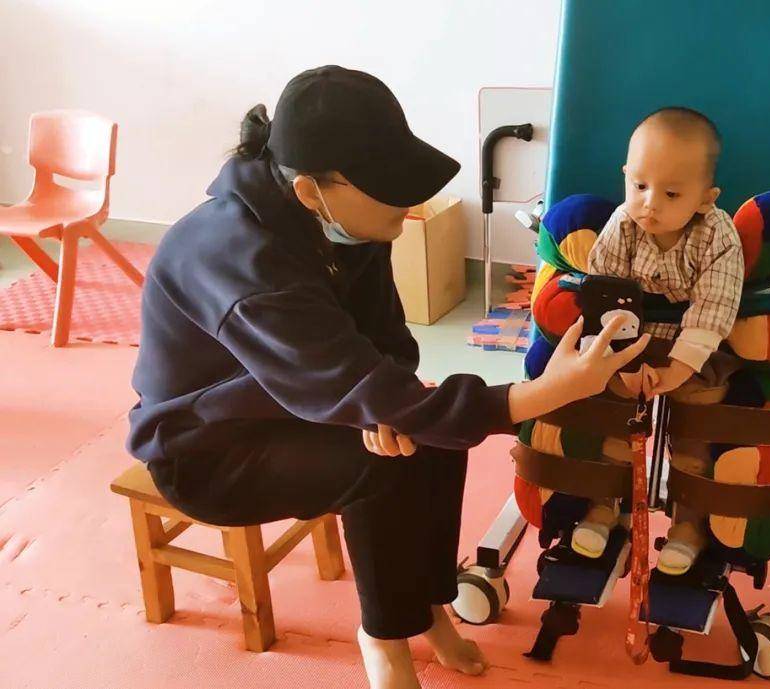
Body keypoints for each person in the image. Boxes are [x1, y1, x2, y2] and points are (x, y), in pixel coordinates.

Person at [125, 66, 649, 689]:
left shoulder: (344, 222)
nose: (409, 201)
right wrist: (548, 392)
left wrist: (386, 404)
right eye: (389, 189)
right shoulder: (241, 263)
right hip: (209, 448)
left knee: (432, 437)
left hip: (298, 399)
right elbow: (348, 376)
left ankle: (428, 606)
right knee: (387, 463)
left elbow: (388, 342)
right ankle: (384, 634)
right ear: (311, 191)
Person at [571, 107, 744, 576]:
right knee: (613, 418)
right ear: (625, 176)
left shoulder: (718, 236)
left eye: (670, 194)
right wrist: (622, 365)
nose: (650, 203)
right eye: (640, 185)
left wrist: (677, 371)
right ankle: (604, 507)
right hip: (629, 342)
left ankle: (688, 525)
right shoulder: (623, 223)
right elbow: (603, 294)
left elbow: (714, 308)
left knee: (695, 429)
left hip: (693, 351)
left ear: (705, 198)